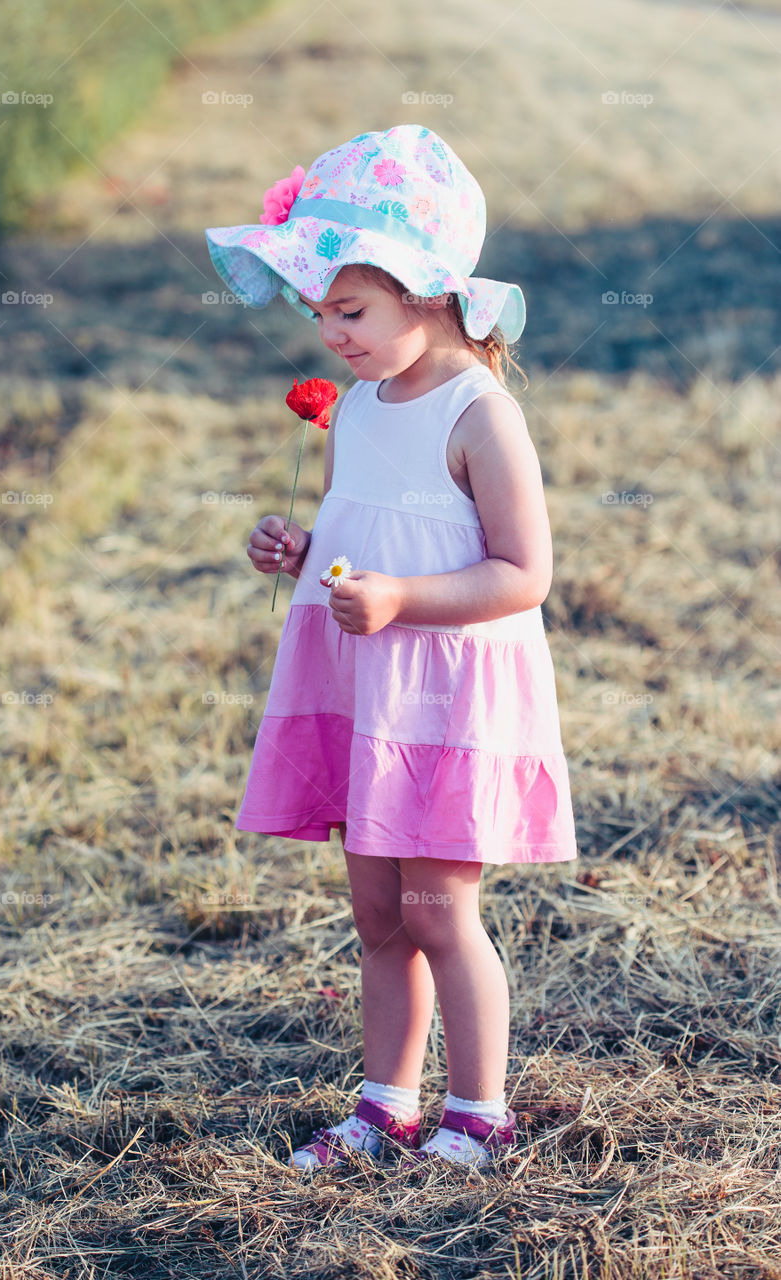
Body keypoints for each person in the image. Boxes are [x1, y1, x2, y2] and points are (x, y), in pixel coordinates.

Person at [204, 124, 578, 1172]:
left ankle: (479, 1109)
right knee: (376, 909)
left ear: (426, 291)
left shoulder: (479, 413)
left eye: (350, 309)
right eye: (317, 309)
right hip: (367, 685)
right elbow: (359, 531)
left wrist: (403, 594)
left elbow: (522, 572)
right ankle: (384, 1104)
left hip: (449, 693)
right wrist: (304, 551)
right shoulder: (359, 408)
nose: (329, 332)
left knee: (437, 905)